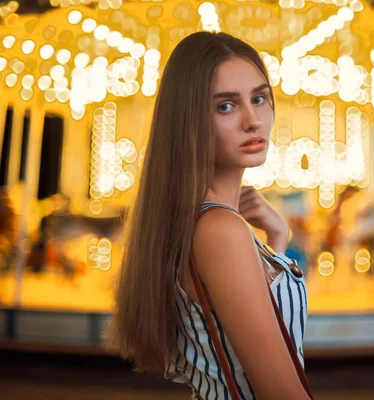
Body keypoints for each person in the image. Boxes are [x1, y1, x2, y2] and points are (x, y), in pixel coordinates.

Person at [108, 31, 311, 399]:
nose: (254, 120)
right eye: (226, 106)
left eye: (259, 98)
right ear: (189, 119)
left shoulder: (198, 219)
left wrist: (277, 239)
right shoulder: (220, 229)